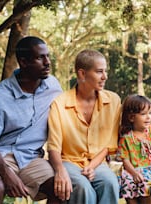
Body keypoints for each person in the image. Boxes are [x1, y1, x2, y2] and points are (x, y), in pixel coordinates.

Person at [0, 36, 63, 204]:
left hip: (32, 158)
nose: (47, 62)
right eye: (40, 57)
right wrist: (6, 173)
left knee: (59, 187)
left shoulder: (53, 86)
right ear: (23, 62)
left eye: (48, 56)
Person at [47, 49, 121, 204]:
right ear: (82, 74)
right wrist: (60, 171)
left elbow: (109, 144)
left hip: (98, 162)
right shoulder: (59, 104)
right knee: (83, 188)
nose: (105, 77)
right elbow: (54, 146)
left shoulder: (113, 101)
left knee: (111, 183)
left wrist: (92, 166)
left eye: (105, 71)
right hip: (68, 162)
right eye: (99, 72)